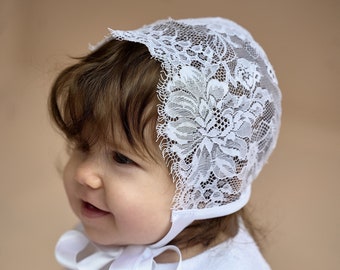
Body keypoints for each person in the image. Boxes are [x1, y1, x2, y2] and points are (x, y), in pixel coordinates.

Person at [49, 17, 281, 269]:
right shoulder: (113, 226)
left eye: (121, 158)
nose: (84, 174)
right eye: (82, 145)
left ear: (201, 188)